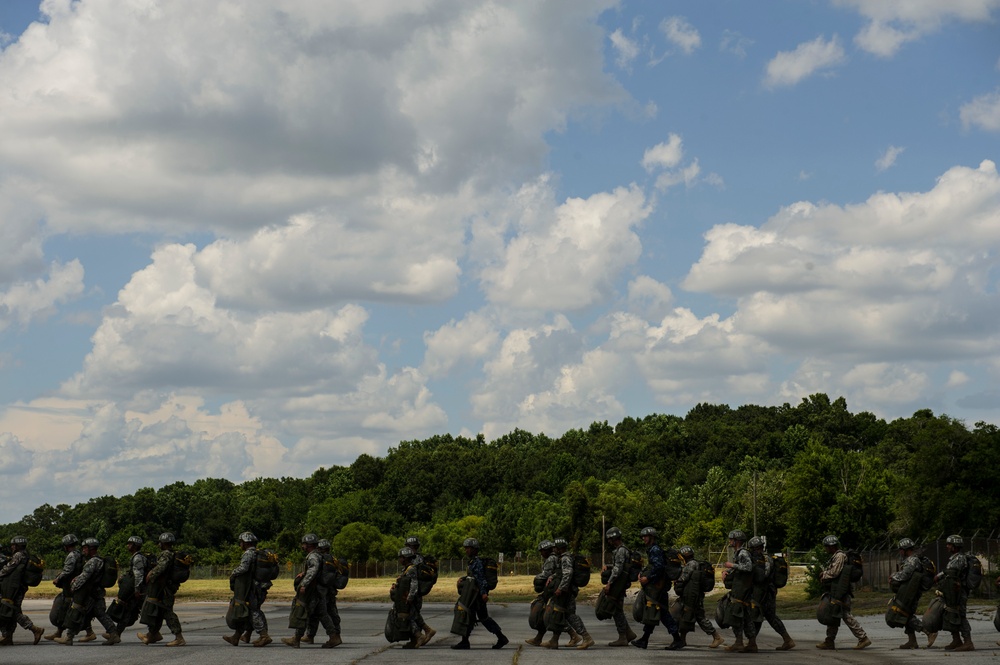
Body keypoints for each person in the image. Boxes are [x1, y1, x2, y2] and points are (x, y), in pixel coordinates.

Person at [52, 538, 120, 646]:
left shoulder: (92, 562)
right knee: (100, 614)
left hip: (89, 593)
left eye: (85, 548)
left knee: (76, 611)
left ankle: (69, 637)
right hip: (96, 593)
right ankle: (113, 634)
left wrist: (73, 586)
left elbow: (84, 577)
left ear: (91, 548)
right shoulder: (99, 560)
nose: (83, 550)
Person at [451, 537, 508, 650]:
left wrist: (483, 593)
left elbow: (480, 579)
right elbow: (473, 577)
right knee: (470, 616)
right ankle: (465, 641)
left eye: (469, 548)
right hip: (474, 595)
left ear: (475, 549)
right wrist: (463, 579)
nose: (466, 550)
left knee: (482, 618)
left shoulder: (476, 562)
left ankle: (501, 638)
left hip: (476, 596)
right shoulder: (472, 562)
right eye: (466, 548)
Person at [816, 534, 870, 650]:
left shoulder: (840, 556)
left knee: (845, 615)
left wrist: (823, 574)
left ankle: (863, 638)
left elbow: (835, 572)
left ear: (831, 547)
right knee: (833, 614)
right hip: (836, 590)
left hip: (841, 591)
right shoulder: (836, 556)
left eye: (826, 547)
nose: (825, 549)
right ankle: (829, 641)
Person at [282, 533, 337, 648]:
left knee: (303, 611)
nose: (303, 546)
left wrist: (304, 584)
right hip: (319, 591)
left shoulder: (313, 556)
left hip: (313, 591)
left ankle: (296, 639)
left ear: (308, 545)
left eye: (304, 544)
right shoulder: (318, 555)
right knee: (323, 614)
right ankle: (334, 637)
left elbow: (313, 570)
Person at [630, 526, 681, 650]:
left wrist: (648, 578)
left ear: (651, 537)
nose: (643, 538)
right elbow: (652, 566)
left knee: (659, 611)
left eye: (645, 536)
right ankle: (645, 639)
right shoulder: (652, 549)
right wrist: (643, 573)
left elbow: (658, 567)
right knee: (655, 611)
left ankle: (677, 639)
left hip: (657, 587)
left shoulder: (655, 549)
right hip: (657, 587)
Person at [541, 538, 594, 649]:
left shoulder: (565, 558)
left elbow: (567, 574)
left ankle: (587, 637)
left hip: (567, 592)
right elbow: (559, 573)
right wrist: (552, 577)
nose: (554, 549)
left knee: (569, 615)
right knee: (559, 614)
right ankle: (554, 641)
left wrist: (561, 588)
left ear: (560, 548)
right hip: (566, 591)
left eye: (555, 547)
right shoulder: (563, 558)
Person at [223, 531, 270, 647]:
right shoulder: (257, 553)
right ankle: (237, 637)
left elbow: (244, 568)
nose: (240, 545)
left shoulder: (248, 554)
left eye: (241, 542)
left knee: (252, 611)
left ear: (245, 543)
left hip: (252, 589)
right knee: (248, 611)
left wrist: (233, 573)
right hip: (260, 587)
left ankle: (264, 636)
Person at [138, 532, 185, 647]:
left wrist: (151, 574)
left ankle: (179, 638)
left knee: (167, 611)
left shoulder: (166, 554)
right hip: (166, 587)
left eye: (160, 542)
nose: (159, 544)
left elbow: (161, 567)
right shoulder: (172, 553)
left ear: (163, 544)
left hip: (165, 589)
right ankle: (152, 634)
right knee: (159, 610)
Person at [46, 535, 95, 643]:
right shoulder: (79, 554)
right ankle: (59, 632)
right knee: (68, 609)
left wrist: (58, 578)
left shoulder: (71, 555)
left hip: (70, 586)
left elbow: (68, 570)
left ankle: (87, 632)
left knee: (69, 610)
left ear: (66, 546)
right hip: (75, 586)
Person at [673, 545, 724, 649]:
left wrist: (676, 581)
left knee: (700, 617)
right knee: (685, 615)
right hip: (693, 595)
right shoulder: (695, 563)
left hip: (693, 597)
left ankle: (717, 637)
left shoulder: (691, 564)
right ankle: (682, 639)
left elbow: (684, 578)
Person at [749, 536, 795, 650]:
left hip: (764, 592)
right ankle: (786, 639)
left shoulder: (763, 560)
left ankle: (752, 643)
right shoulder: (768, 558)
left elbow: (762, 576)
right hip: (769, 591)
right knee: (768, 616)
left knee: (759, 615)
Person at [889, 538, 935, 649]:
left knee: (906, 614)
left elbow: (906, 575)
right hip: (910, 591)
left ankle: (929, 632)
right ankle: (912, 641)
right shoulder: (912, 559)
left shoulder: (912, 560)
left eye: (901, 549)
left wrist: (893, 576)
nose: (900, 552)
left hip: (911, 593)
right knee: (905, 613)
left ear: (905, 549)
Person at [0, 536, 45, 645]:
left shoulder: (18, 555)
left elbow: (8, 568)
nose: (12, 547)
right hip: (19, 587)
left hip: (14, 588)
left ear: (18, 546)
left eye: (13, 545)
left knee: (11, 610)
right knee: (11, 609)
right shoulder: (26, 554)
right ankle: (8, 636)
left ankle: (35, 629)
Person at [721, 529, 759, 652]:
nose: (730, 541)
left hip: (742, 589)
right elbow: (740, 569)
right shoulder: (739, 553)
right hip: (742, 588)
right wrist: (727, 572)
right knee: (746, 616)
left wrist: (731, 566)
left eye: (731, 539)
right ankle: (751, 643)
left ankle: (739, 642)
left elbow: (748, 568)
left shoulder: (743, 553)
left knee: (735, 614)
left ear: (737, 541)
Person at [936, 534, 974, 651]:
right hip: (952, 592)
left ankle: (968, 642)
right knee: (950, 614)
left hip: (959, 592)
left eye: (949, 544)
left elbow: (951, 573)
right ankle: (956, 640)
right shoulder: (954, 558)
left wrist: (939, 576)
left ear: (955, 546)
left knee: (960, 615)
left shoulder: (959, 558)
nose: (947, 546)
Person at [601, 527, 637, 647]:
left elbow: (618, 569)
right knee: (617, 609)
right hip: (620, 583)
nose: (609, 541)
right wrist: (609, 566)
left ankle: (622, 637)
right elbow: (618, 565)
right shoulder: (622, 550)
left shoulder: (621, 550)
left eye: (610, 539)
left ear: (614, 538)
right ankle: (629, 633)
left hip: (618, 584)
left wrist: (609, 583)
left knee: (616, 610)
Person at [302, 538, 341, 647]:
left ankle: (335, 635)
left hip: (323, 591)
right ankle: (310, 635)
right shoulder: (331, 559)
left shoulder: (322, 559)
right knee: (318, 613)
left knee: (325, 613)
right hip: (328, 590)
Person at [111, 535, 147, 640]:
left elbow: (139, 575)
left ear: (135, 546)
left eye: (130, 544)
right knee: (129, 610)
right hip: (138, 590)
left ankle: (154, 632)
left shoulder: (137, 558)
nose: (128, 546)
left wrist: (137, 589)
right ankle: (117, 633)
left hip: (139, 590)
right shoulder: (137, 557)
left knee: (142, 611)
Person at [403, 536, 435, 646]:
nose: (407, 548)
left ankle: (421, 635)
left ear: (414, 547)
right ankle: (417, 638)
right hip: (414, 591)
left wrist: (411, 595)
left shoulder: (416, 559)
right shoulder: (416, 558)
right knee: (414, 614)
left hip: (415, 592)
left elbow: (413, 579)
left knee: (412, 615)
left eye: (409, 546)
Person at [392, 547, 422, 648]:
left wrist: (410, 597)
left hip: (410, 599)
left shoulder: (411, 569)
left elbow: (414, 584)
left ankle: (419, 636)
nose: (399, 560)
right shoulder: (406, 569)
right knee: (412, 618)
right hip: (405, 598)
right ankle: (417, 638)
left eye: (401, 557)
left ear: (406, 558)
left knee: (409, 618)